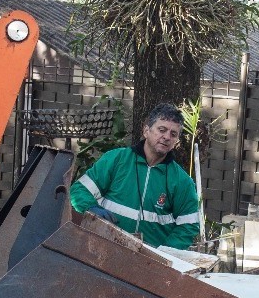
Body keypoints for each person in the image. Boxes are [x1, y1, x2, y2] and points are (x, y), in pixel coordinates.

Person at [70, 102, 201, 249]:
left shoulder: (182, 181)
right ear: (146, 131)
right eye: (162, 130)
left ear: (176, 140)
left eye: (173, 134)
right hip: (102, 247)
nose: (166, 137)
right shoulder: (116, 159)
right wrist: (91, 207)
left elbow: (188, 226)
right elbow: (79, 190)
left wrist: (165, 254)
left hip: (148, 263)